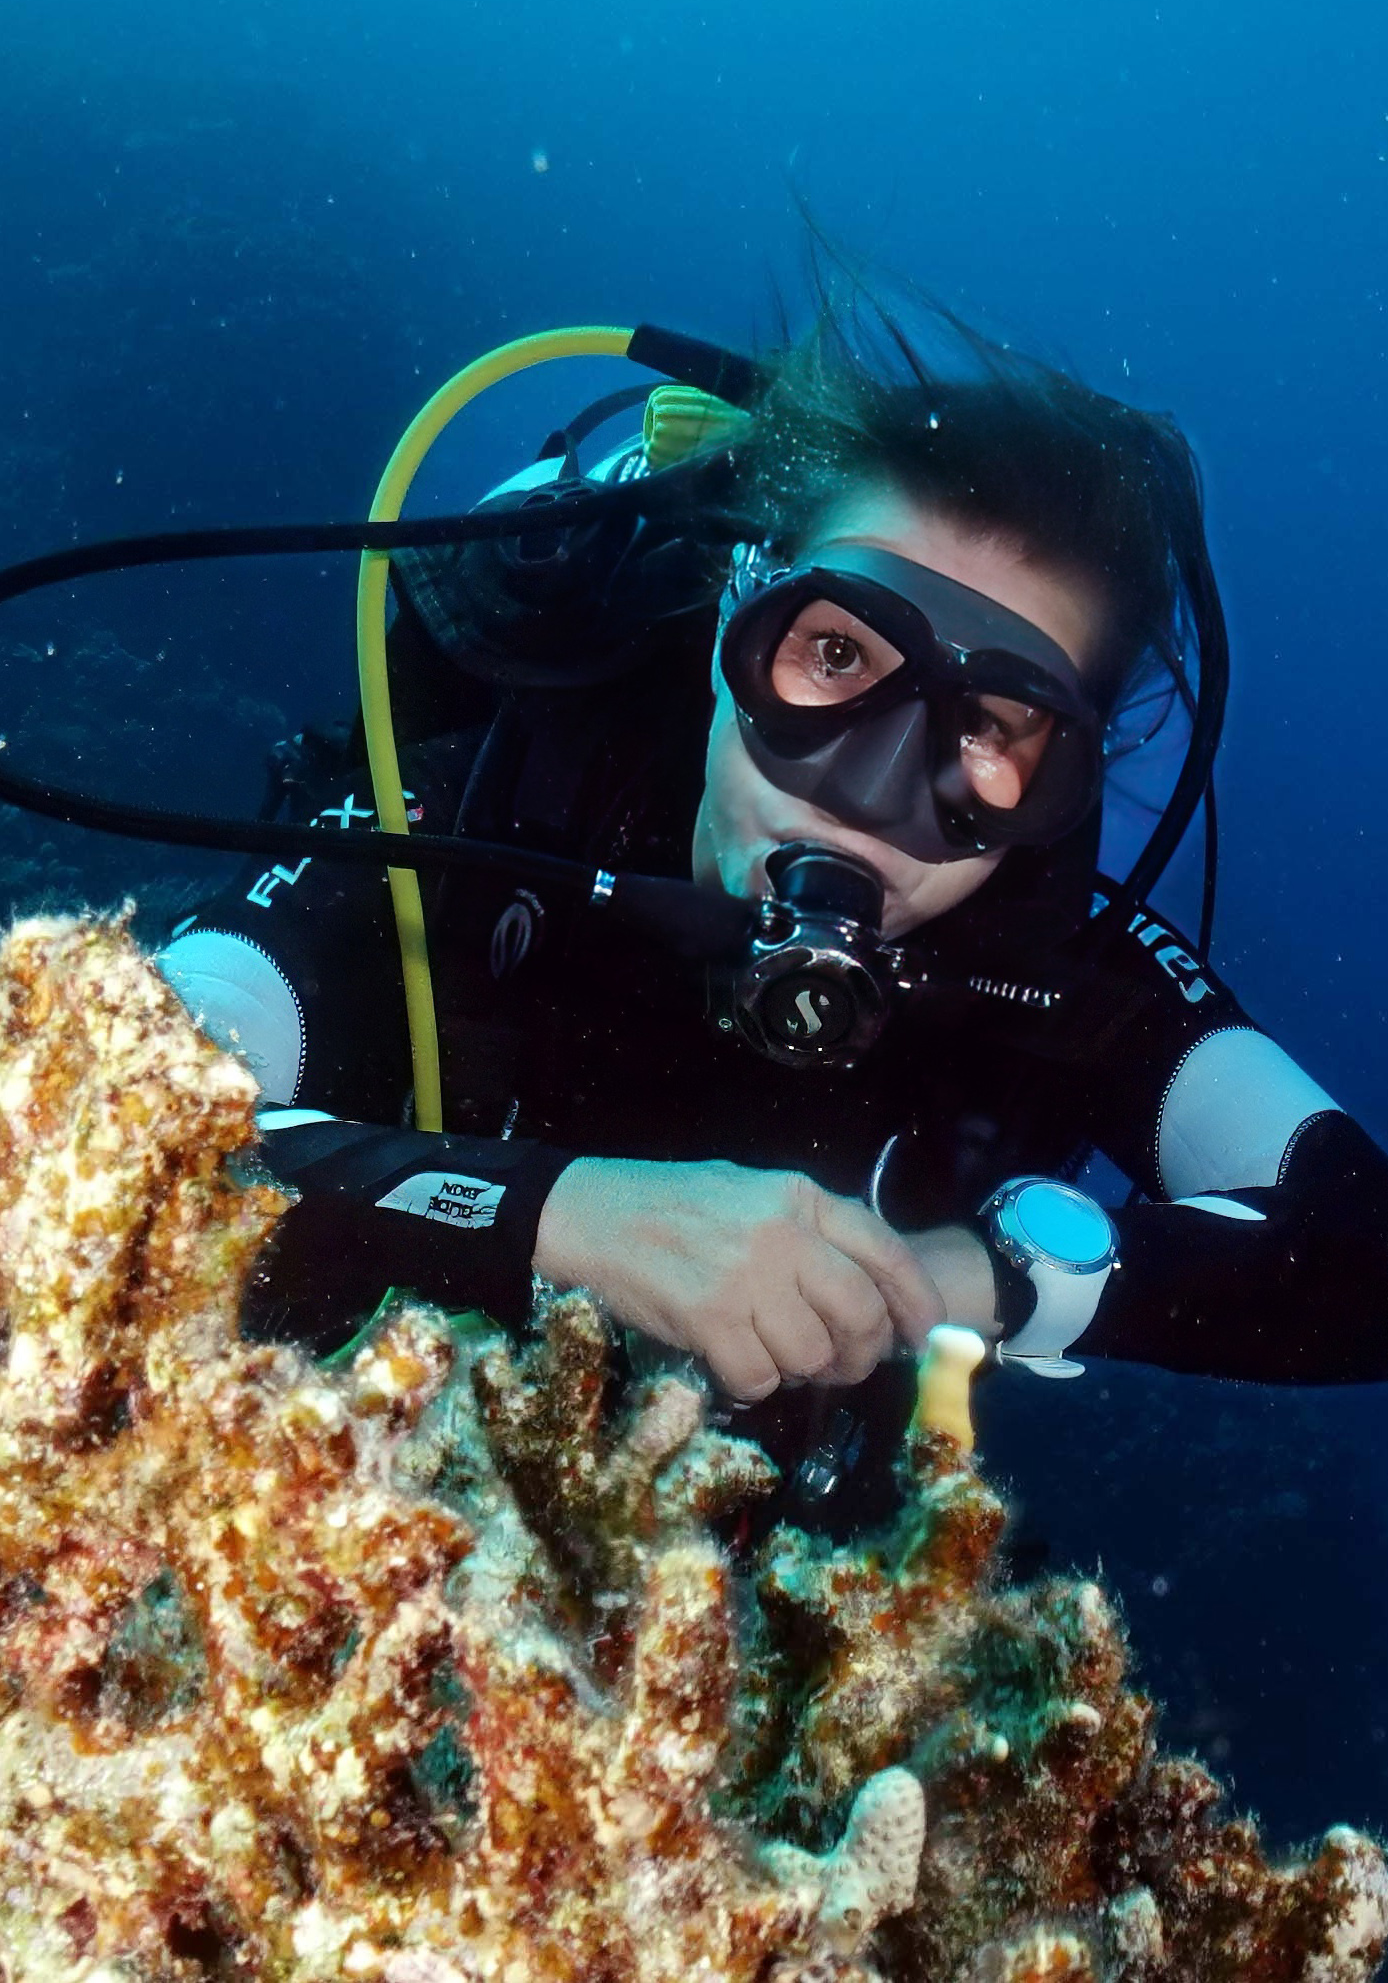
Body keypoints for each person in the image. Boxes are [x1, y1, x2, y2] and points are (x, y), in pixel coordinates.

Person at [159, 294, 1388, 1528]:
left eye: (989, 731)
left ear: (1057, 792)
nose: (866, 794)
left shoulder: (1052, 968)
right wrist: (560, 1212)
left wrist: (992, 1276)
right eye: (838, 657)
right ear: (728, 626)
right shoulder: (476, 815)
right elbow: (129, 1107)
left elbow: (1362, 1250)